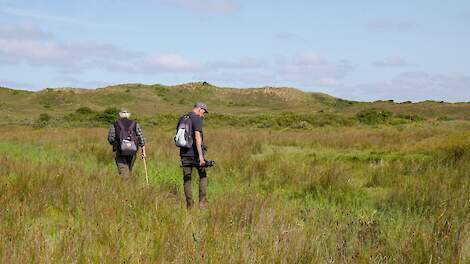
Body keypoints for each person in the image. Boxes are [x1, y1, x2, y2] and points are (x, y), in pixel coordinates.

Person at [178, 102, 209, 209]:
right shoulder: (197, 119)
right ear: (200, 109)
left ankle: (189, 205)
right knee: (203, 176)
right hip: (195, 155)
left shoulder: (182, 118)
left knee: (187, 179)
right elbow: (197, 137)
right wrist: (201, 156)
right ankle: (202, 202)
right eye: (203, 112)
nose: (203, 115)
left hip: (184, 154)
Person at [107, 108, 146, 178]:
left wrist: (116, 144)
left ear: (120, 114)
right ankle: (129, 185)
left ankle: (126, 185)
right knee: (128, 170)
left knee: (123, 172)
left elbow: (111, 138)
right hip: (133, 151)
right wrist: (143, 149)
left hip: (119, 151)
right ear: (129, 115)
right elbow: (141, 137)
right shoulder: (135, 124)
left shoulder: (115, 124)